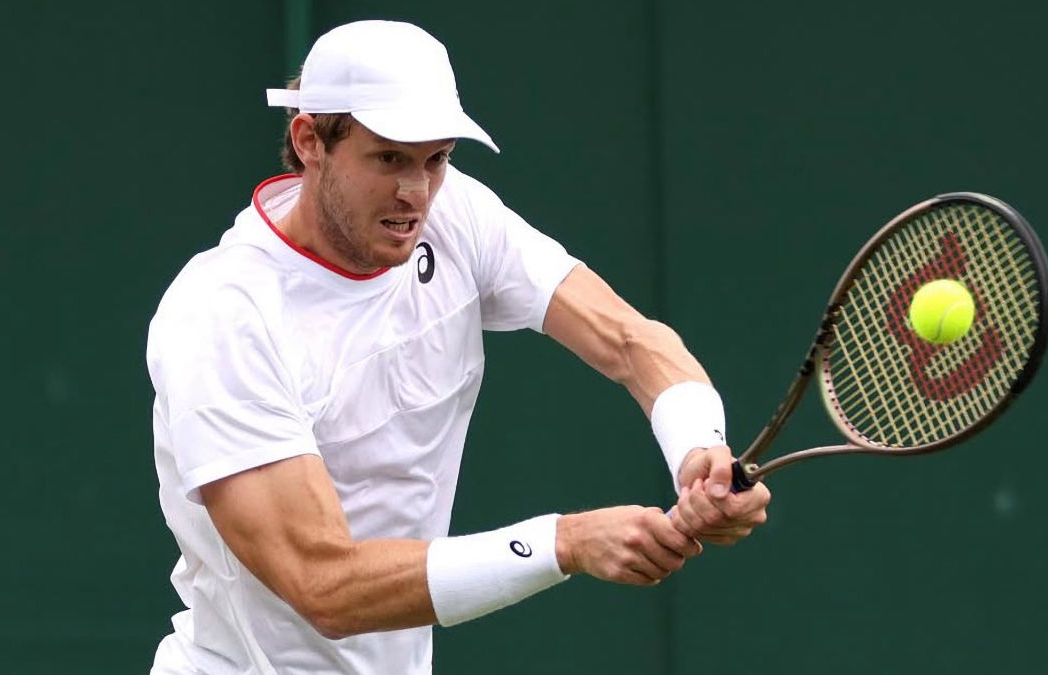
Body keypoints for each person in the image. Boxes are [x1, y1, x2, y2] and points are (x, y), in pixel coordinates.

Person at [146, 19, 770, 675]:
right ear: (310, 141)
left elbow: (629, 338)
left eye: (436, 159)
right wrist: (562, 542)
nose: (415, 193)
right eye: (388, 158)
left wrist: (699, 450)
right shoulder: (224, 313)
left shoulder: (455, 217)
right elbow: (322, 581)